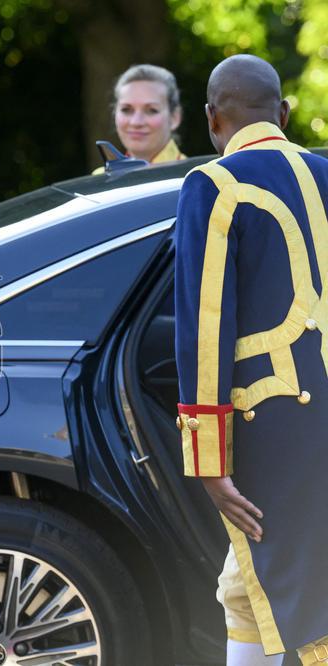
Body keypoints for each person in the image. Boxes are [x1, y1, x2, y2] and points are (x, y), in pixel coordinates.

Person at [174, 54, 328, 666]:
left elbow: (204, 328)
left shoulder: (213, 184)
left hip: (271, 426)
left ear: (213, 120)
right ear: (283, 112)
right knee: (250, 589)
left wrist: (208, 459)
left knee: (283, 585)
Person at [94, 63, 186, 173]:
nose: (136, 122)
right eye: (126, 109)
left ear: (174, 117)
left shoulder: (195, 180)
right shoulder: (99, 178)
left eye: (152, 110)